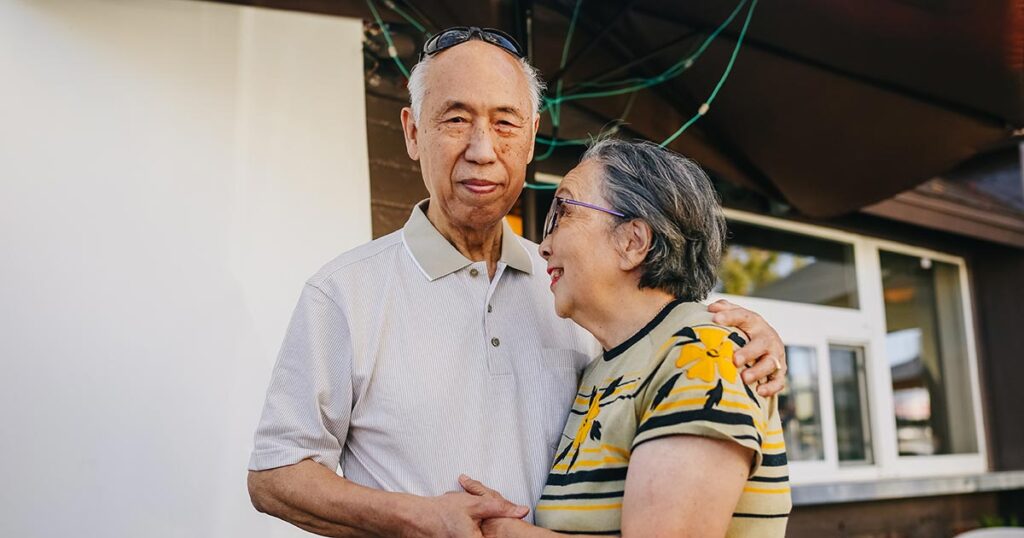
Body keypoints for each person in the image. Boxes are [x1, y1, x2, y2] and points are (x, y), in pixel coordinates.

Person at [246, 27, 789, 538]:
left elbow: (658, 345)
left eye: (505, 123)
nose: (483, 149)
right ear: (413, 132)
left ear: (531, 139)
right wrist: (414, 519)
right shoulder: (344, 293)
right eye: (456, 119)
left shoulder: (569, 290)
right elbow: (274, 474)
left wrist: (738, 331)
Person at [460, 139, 791, 537]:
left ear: (633, 241)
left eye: (562, 213)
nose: (544, 246)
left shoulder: (704, 357)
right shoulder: (609, 364)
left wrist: (498, 532)